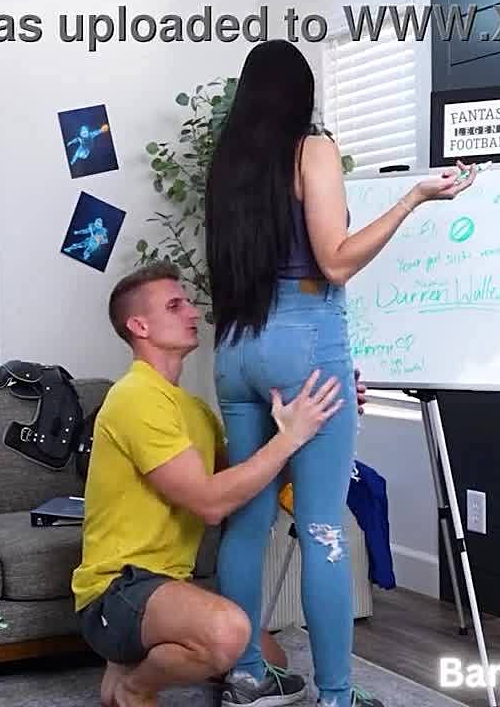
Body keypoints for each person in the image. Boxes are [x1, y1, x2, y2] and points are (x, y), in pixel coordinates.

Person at [203, 39, 478, 707]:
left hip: (235, 347)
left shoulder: (229, 164)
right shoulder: (312, 149)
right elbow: (335, 260)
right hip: (304, 337)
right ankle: (336, 696)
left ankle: (244, 675)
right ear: (303, 95)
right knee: (323, 522)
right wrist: (413, 198)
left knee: (247, 522)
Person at [70, 263, 368, 707]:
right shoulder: (135, 396)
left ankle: (128, 661)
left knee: (269, 658)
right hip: (117, 590)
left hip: (166, 585)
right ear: (139, 326)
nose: (193, 312)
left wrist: (320, 420)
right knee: (228, 635)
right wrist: (289, 438)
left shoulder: (192, 409)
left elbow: (248, 484)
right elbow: (210, 504)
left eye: (188, 302)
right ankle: (134, 688)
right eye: (175, 305)